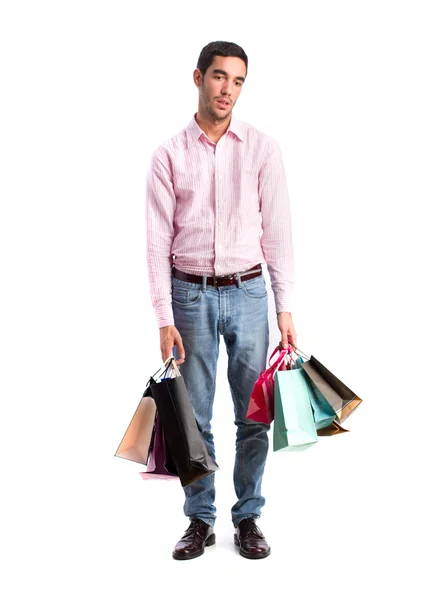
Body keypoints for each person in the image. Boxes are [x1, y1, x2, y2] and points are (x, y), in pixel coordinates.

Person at [145, 40, 297, 560]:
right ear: (198, 78)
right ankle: (200, 519)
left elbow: (278, 234)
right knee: (195, 417)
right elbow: (156, 243)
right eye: (218, 77)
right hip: (189, 295)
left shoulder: (262, 149)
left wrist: (284, 308)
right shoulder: (168, 155)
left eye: (237, 80)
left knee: (255, 415)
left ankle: (249, 515)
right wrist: (164, 317)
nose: (227, 89)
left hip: (251, 292)